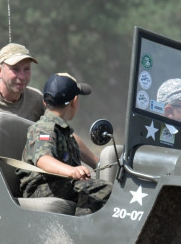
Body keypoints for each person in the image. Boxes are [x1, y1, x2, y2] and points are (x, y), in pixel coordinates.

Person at [19, 73, 112, 215]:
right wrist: (71, 171)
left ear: (45, 102)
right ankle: (83, 231)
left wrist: (98, 163)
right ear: (74, 101)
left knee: (98, 187)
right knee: (103, 190)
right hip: (41, 188)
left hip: (59, 185)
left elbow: (78, 147)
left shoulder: (62, 130)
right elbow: (42, 159)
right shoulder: (44, 127)